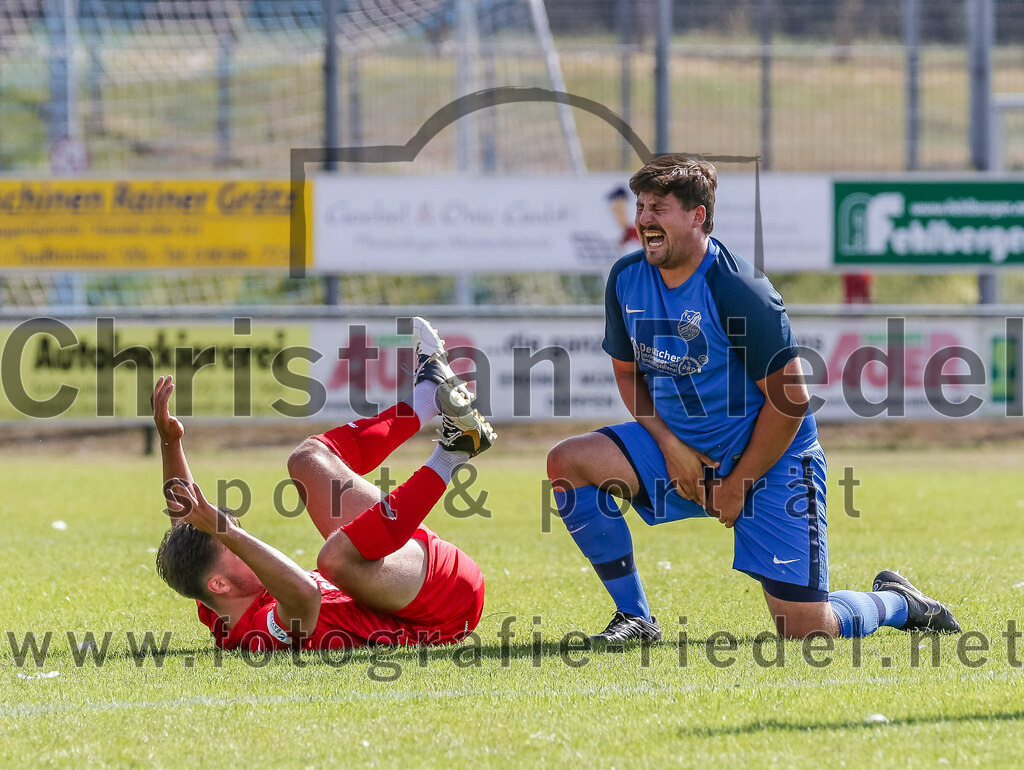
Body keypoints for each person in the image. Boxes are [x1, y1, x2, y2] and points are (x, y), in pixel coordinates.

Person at [547, 155, 960, 643]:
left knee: (807, 631)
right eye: (640, 206)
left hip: (772, 460)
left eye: (658, 207)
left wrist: (738, 484)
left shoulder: (740, 288)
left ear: (697, 215)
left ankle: (897, 601)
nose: (643, 219)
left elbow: (791, 402)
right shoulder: (626, 277)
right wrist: (672, 447)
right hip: (680, 448)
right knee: (569, 462)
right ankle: (636, 619)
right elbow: (625, 371)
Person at [153, 318, 496, 652]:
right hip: (444, 609)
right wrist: (228, 533)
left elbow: (187, 528)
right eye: (234, 548)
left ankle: (429, 396)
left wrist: (170, 443)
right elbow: (306, 594)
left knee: (306, 459)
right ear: (219, 584)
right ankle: (450, 456)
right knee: (334, 559)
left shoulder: (215, 599)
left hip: (412, 562)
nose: (249, 544)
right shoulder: (255, 632)